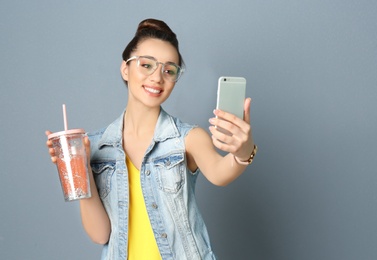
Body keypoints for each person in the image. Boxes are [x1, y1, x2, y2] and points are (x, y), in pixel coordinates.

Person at [46, 18, 256, 260]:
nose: (157, 78)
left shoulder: (187, 138)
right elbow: (101, 235)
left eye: (169, 70)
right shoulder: (95, 145)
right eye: (146, 65)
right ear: (125, 68)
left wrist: (244, 150)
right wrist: (80, 170)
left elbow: (221, 173)